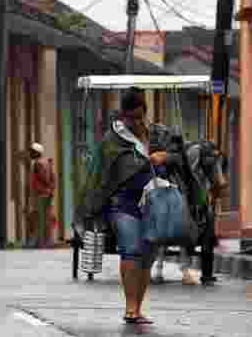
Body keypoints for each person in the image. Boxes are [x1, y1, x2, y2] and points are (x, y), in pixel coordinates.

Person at [74, 87, 167, 325]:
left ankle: (139, 307)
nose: (136, 122)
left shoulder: (155, 135)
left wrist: (164, 158)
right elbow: (99, 174)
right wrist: (92, 207)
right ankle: (130, 308)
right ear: (123, 115)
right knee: (131, 249)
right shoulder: (112, 140)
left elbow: (176, 157)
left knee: (148, 254)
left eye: (140, 116)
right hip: (122, 204)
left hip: (152, 204)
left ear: (145, 113)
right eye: (131, 118)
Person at [28, 142, 56, 249]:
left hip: (41, 194)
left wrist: (46, 188)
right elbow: (53, 178)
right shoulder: (47, 163)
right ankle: (47, 241)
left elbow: (44, 178)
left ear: (36, 153)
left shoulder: (38, 163)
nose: (30, 154)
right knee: (46, 217)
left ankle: (42, 242)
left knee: (40, 218)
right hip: (47, 194)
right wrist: (51, 190)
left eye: (32, 152)